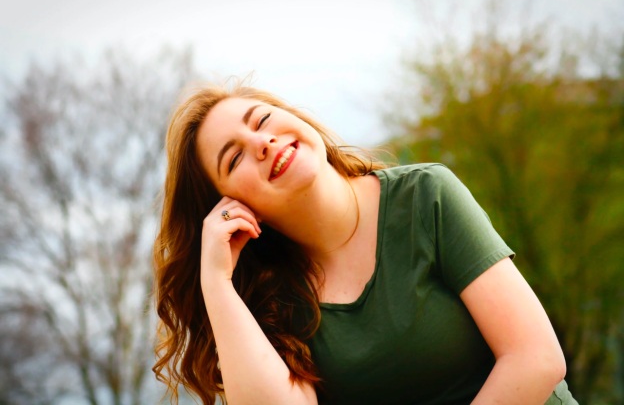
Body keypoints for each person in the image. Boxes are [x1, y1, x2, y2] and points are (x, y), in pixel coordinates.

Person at [152, 80, 578, 405]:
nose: (262, 143)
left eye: (262, 120)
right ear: (231, 206)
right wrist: (217, 282)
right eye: (235, 157)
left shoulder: (425, 196)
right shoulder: (268, 302)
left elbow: (536, 358)